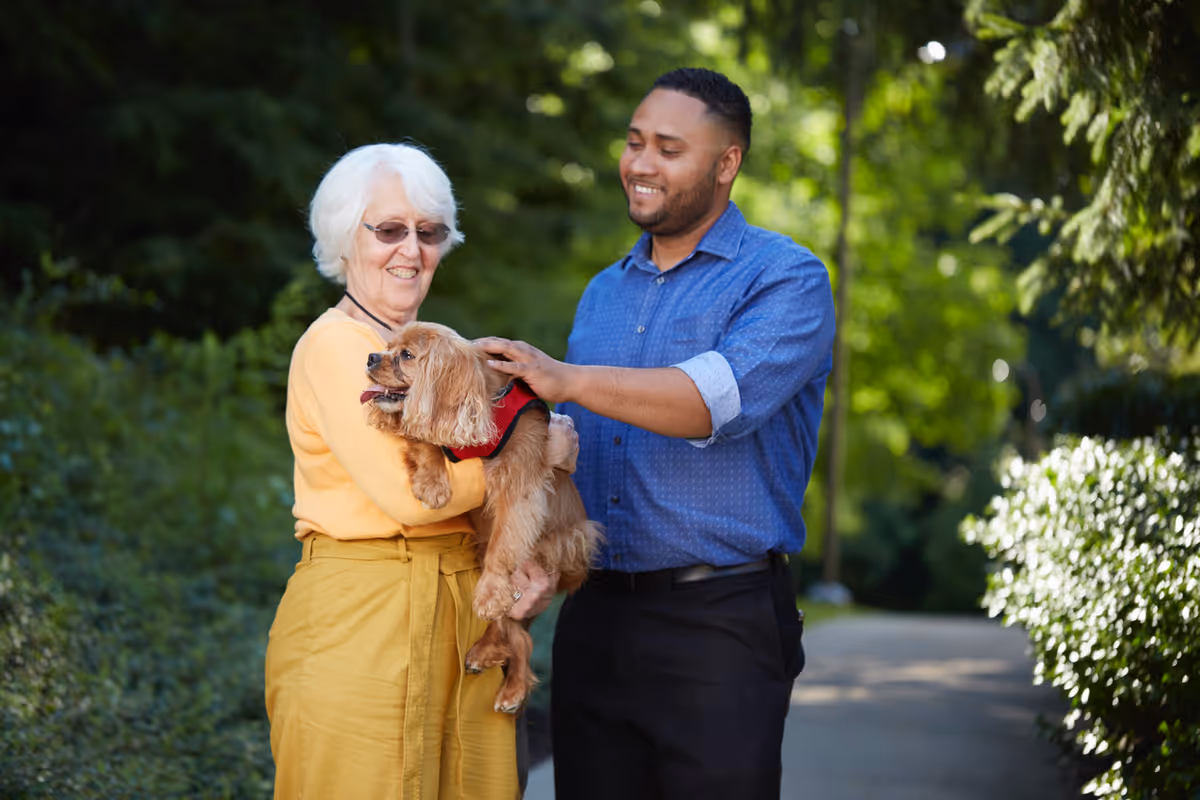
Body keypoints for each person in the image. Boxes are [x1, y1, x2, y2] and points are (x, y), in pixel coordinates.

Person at [478, 67, 837, 799]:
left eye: (668, 149)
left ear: (726, 163)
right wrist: (545, 554)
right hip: (595, 619)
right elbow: (574, 450)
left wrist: (569, 378)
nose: (640, 163)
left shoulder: (786, 279)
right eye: (635, 141)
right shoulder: (604, 291)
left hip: (719, 628)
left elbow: (717, 401)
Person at [264, 142, 573, 800]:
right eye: (390, 230)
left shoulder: (433, 353)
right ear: (346, 238)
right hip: (361, 620)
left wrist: (529, 557)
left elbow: (498, 487)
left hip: (462, 617)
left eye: (429, 233)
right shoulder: (335, 346)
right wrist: (535, 457)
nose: (412, 250)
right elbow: (412, 497)